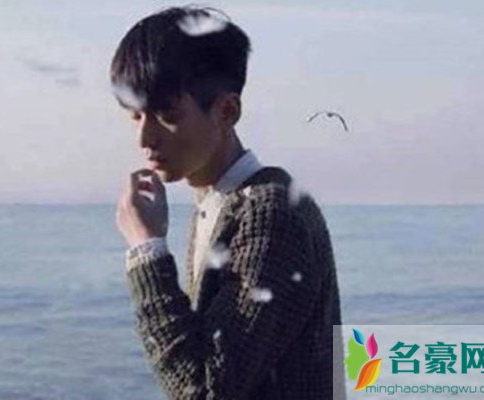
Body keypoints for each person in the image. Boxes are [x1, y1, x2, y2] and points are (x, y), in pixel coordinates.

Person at [111, 6, 344, 399]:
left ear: (227, 111)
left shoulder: (271, 213)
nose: (144, 139)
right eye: (135, 116)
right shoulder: (220, 202)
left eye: (167, 114)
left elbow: (203, 389)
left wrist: (146, 251)